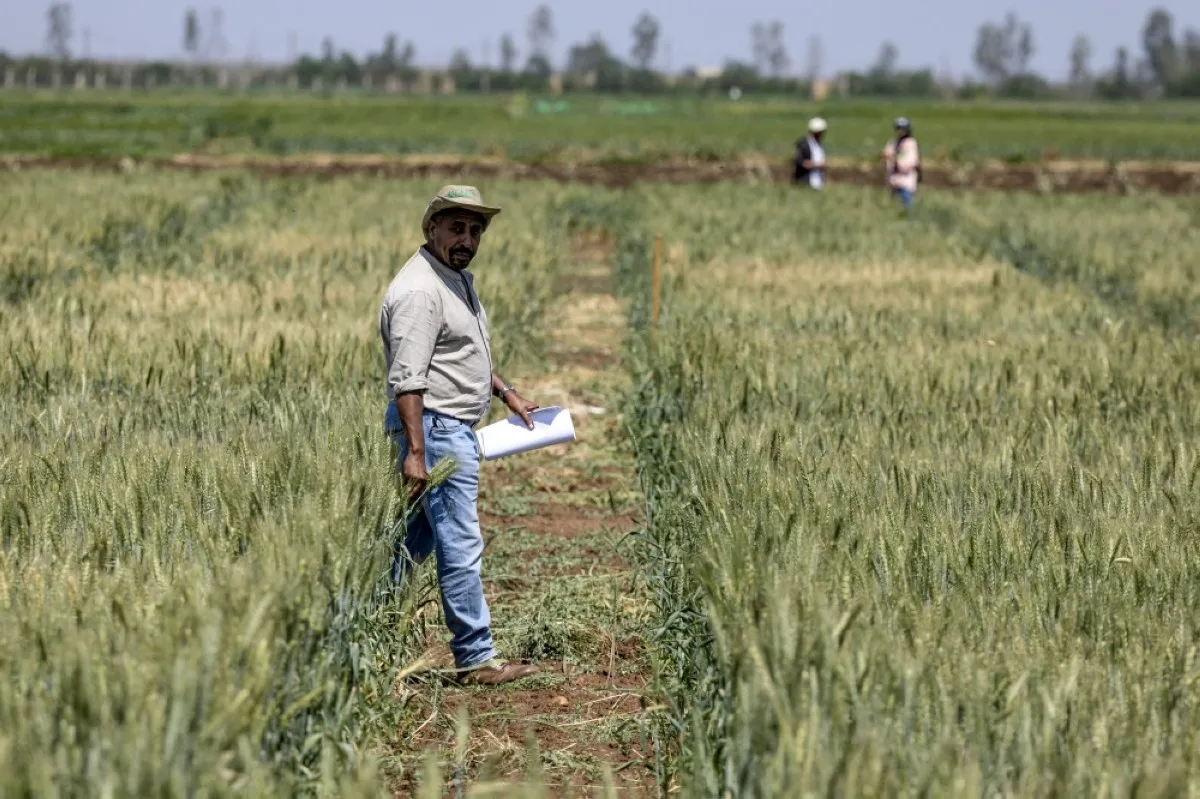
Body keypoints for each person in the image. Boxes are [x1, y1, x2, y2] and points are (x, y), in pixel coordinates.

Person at [379, 185, 541, 686]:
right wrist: (417, 454)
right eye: (456, 227)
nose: (466, 237)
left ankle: (364, 624)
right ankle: (475, 657)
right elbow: (409, 378)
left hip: (449, 431)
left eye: (474, 230)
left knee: (412, 543)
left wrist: (507, 393)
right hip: (435, 431)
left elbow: (457, 356)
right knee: (460, 543)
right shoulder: (420, 291)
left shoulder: (452, 279)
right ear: (431, 228)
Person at [882, 116, 921, 210]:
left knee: (906, 206)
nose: (900, 131)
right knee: (893, 206)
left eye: (902, 128)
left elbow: (911, 162)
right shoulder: (893, 143)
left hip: (906, 181)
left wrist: (895, 159)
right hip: (893, 181)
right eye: (898, 128)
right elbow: (886, 155)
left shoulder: (911, 144)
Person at [794, 117, 828, 190]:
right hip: (806, 182)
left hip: (818, 183)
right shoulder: (804, 144)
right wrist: (816, 165)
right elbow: (799, 162)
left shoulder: (820, 145)